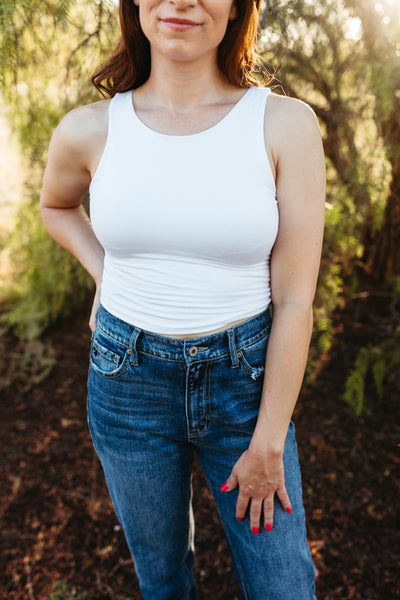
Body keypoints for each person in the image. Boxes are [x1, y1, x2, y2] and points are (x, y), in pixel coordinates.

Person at [40, 0, 326, 598]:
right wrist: (103, 272)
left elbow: (296, 301)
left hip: (246, 389)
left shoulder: (283, 124)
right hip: (127, 384)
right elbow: (56, 207)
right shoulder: (89, 129)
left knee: (284, 585)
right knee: (163, 579)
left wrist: (269, 439)